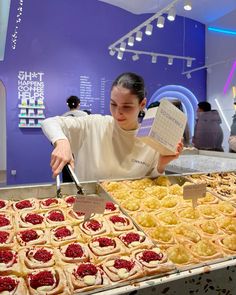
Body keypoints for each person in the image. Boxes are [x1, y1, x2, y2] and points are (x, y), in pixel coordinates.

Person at [42, 72, 183, 181]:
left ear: (142, 104)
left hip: (128, 213)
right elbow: (49, 122)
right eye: (113, 104)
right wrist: (61, 141)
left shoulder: (149, 140)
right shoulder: (94, 124)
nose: (118, 112)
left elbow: (150, 183)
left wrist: (161, 165)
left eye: (126, 106)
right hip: (88, 212)